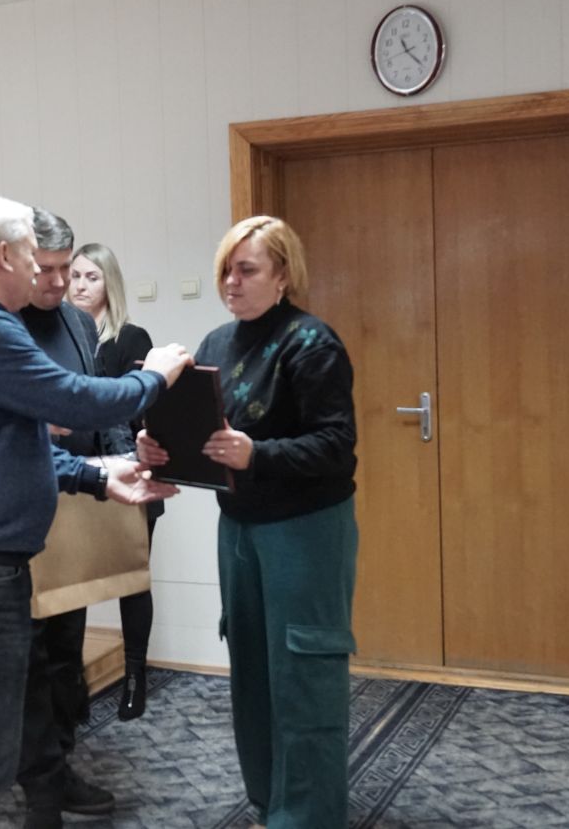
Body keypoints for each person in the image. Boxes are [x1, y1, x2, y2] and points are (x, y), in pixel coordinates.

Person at [0, 196, 191, 829]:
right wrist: (157, 377)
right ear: (4, 255)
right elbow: (76, 400)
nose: (44, 272)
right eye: (34, 255)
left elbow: (17, 443)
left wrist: (96, 475)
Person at [137, 216, 358, 828]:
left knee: (303, 672)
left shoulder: (312, 343)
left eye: (246, 270)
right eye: (225, 271)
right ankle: (267, 803)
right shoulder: (214, 345)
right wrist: (155, 449)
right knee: (253, 670)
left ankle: (309, 817)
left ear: (283, 275)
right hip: (238, 527)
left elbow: (337, 447)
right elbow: (203, 435)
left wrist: (257, 454)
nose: (231, 282)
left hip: (306, 529)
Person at [15, 213, 136, 828]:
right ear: (19, 261)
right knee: (30, 652)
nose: (59, 281)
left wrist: (126, 463)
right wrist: (40, 420)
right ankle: (37, 780)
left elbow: (96, 400)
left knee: (67, 644)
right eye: (46, 269)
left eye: (66, 269)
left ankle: (59, 763)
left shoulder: (76, 321)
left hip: (80, 495)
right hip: (21, 508)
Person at [68, 242, 161, 721]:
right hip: (77, 475)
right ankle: (72, 683)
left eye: (92, 277)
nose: (80, 286)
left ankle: (134, 676)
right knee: (72, 584)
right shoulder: (63, 341)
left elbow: (140, 407)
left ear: (110, 284)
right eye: (75, 276)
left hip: (129, 474)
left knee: (132, 579)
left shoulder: (130, 337)